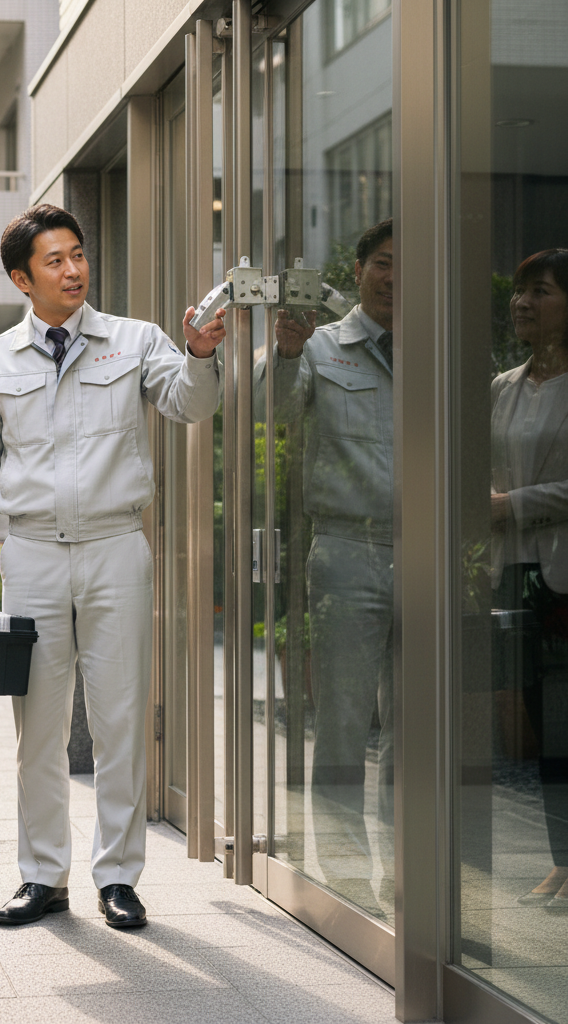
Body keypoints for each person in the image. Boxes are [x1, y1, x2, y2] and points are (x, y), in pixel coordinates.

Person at [0, 204, 225, 928]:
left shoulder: (135, 340)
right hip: (32, 553)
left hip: (115, 548)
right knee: (37, 728)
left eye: (78, 254)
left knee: (121, 720)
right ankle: (43, 877)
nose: (73, 270)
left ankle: (119, 878)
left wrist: (200, 354)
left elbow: (190, 405)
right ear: (22, 279)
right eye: (55, 260)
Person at [257, 218, 395, 916]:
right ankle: (344, 879)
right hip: (346, 550)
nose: (395, 277)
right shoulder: (321, 346)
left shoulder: (441, 346)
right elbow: (271, 410)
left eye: (410, 265)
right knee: (342, 721)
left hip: (430, 552)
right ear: (360, 269)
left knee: (416, 727)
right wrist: (285, 351)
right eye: (384, 262)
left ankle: (412, 876)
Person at [491, 248, 568, 910]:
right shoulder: (503, 386)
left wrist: (510, 505)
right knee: (545, 724)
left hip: (564, 575)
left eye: (540, 291)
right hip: (515, 573)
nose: (522, 302)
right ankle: (561, 861)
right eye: (520, 291)